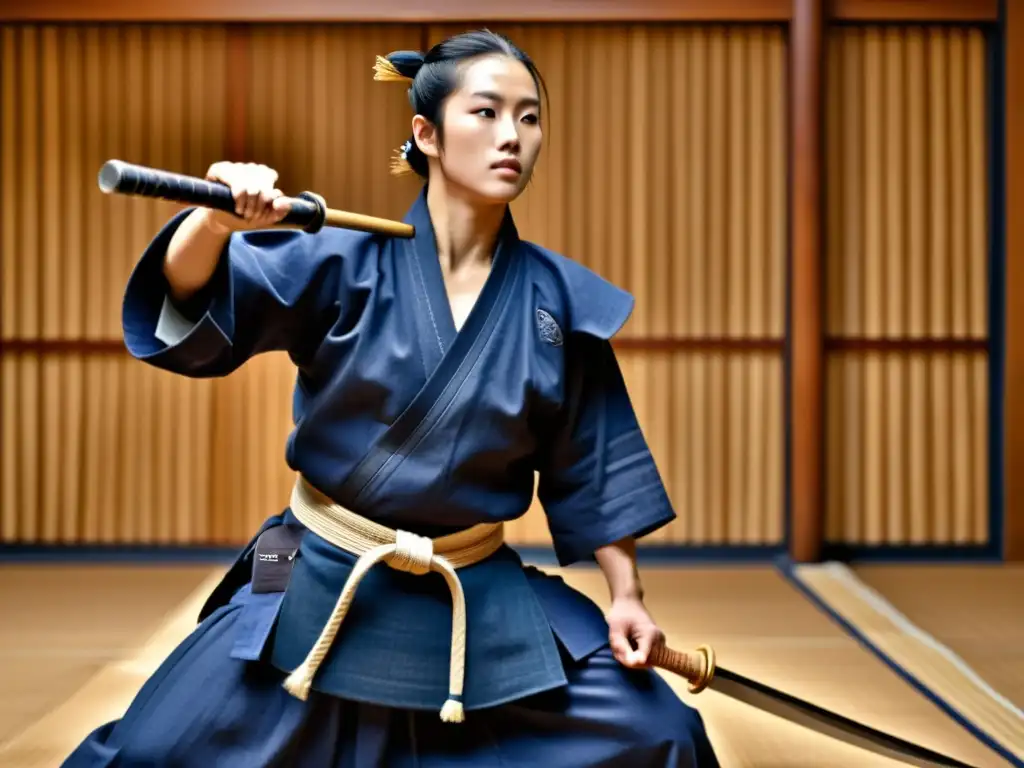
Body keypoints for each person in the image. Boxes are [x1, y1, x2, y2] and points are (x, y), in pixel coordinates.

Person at [63, 29, 720, 768]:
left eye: (530, 117)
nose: (513, 136)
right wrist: (214, 222)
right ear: (427, 133)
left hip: (474, 587)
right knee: (153, 750)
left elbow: (594, 458)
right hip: (322, 565)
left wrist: (626, 594)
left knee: (658, 734)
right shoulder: (347, 257)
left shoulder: (557, 302)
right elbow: (194, 300)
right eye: (487, 113)